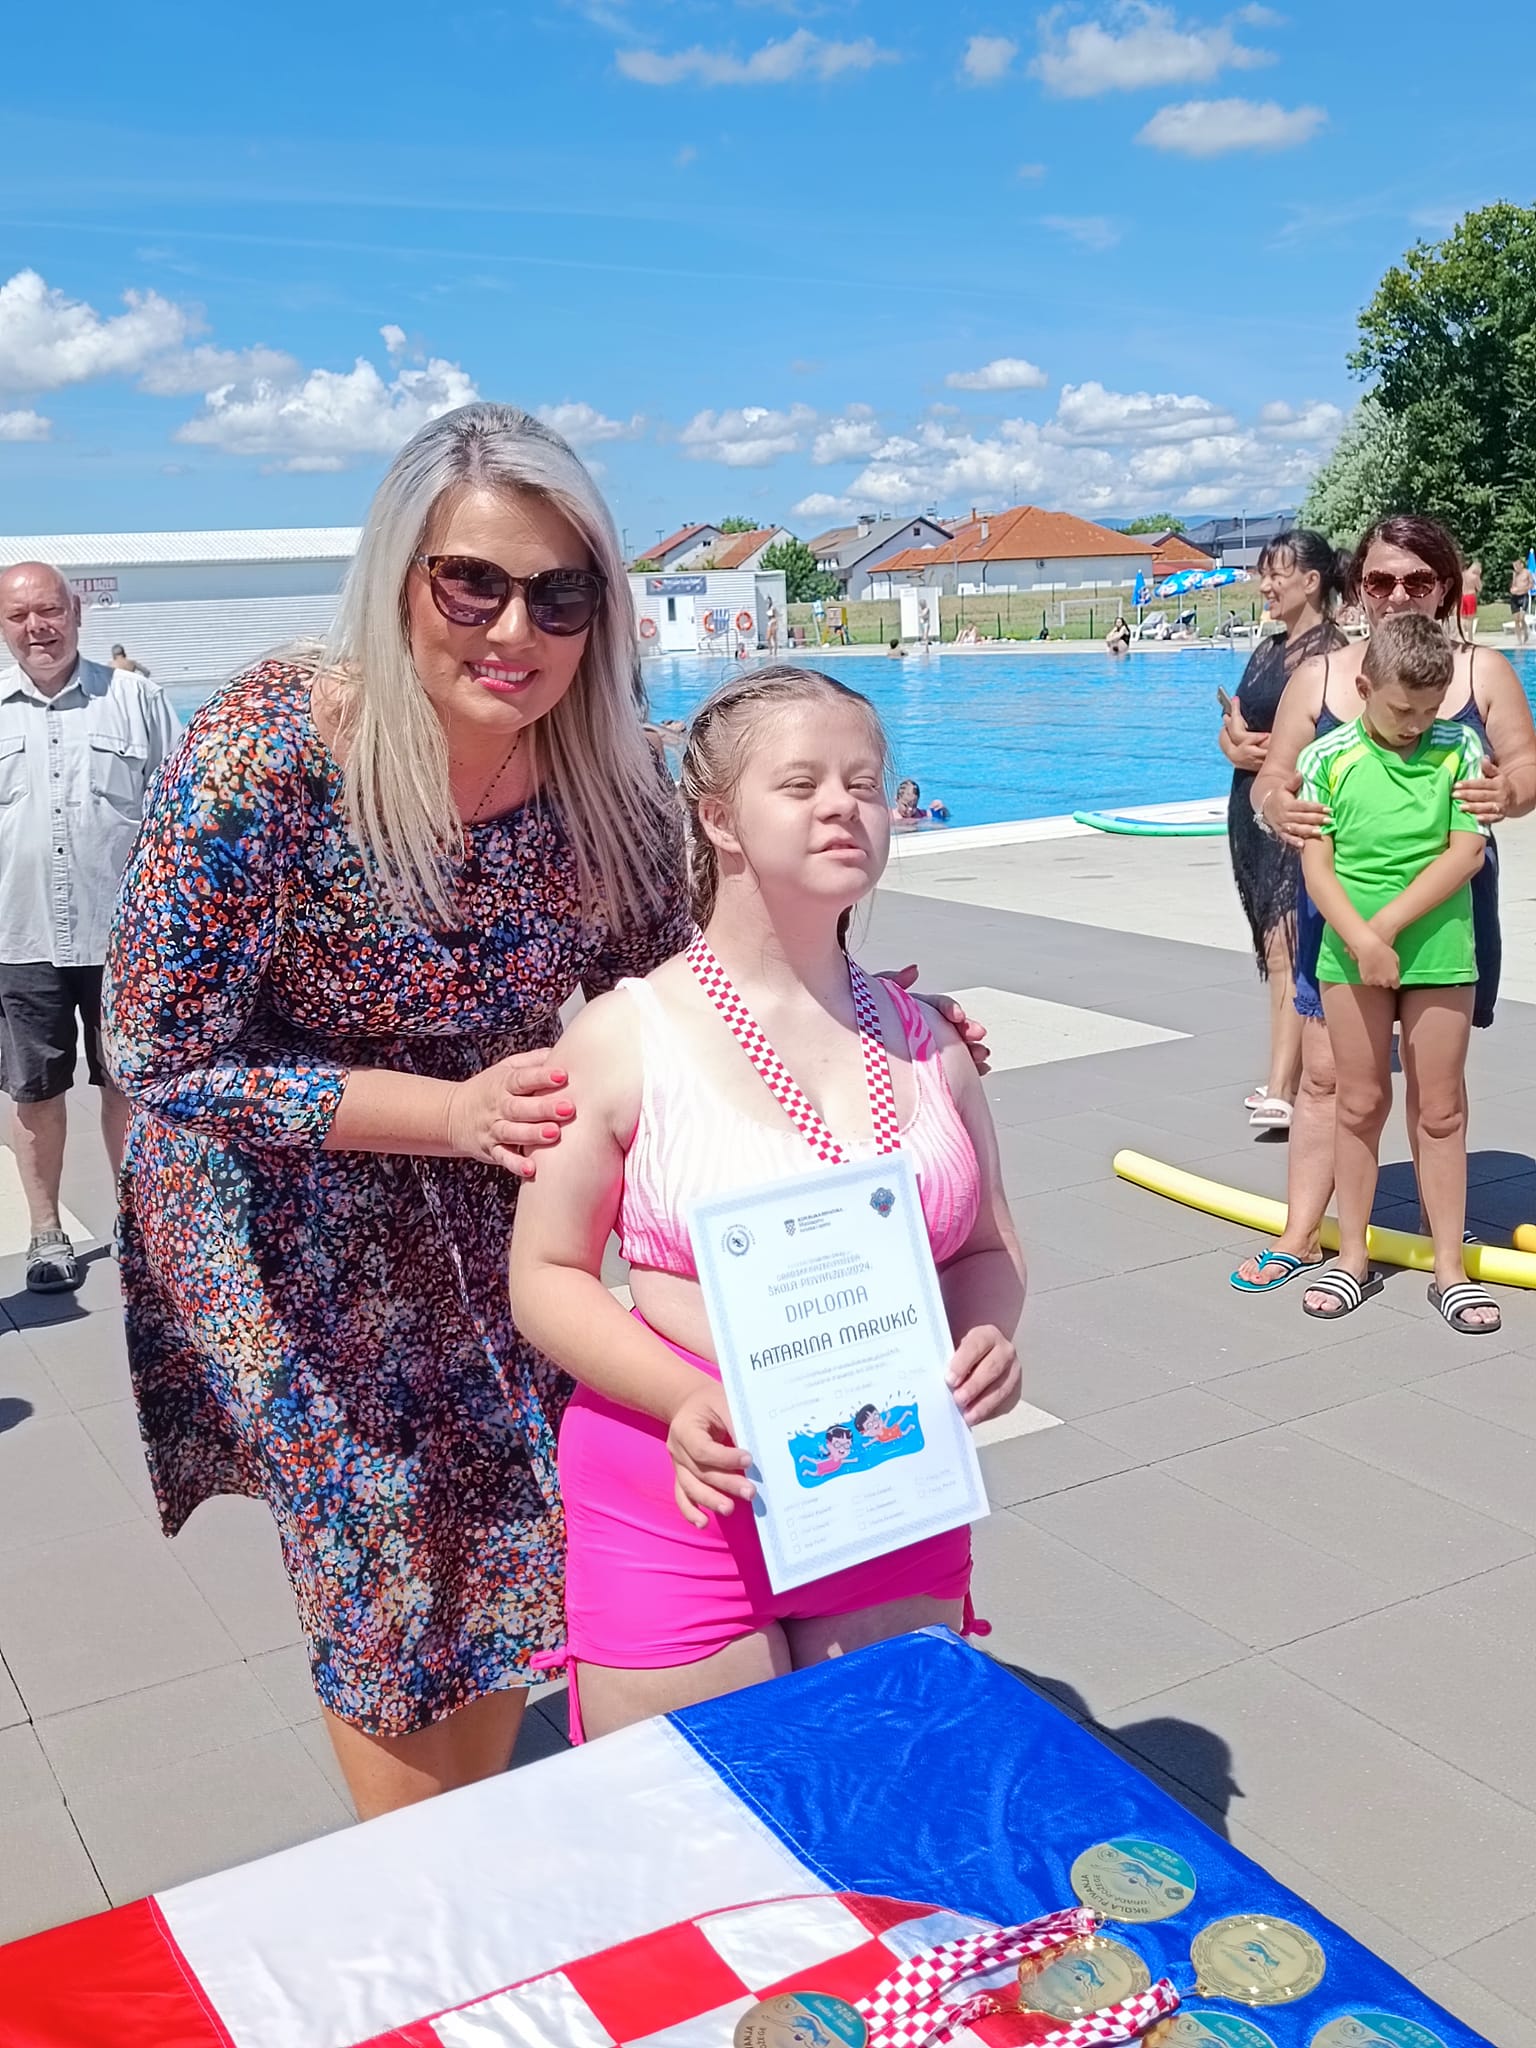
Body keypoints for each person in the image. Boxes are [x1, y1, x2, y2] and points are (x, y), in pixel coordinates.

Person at [102, 404, 700, 1819]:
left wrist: (863, 1027)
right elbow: (156, 1048)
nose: (515, 630)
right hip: (279, 1195)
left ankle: (467, 1817)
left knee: (510, 1519)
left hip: (493, 1177)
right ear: (399, 581)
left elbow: (673, 987)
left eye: (560, 594)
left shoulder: (610, 773)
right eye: (471, 583)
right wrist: (445, 1116)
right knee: (382, 1548)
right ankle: (419, 1856)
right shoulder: (271, 750)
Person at [508, 668, 1024, 1739]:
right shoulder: (623, 1038)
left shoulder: (926, 1040)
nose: (844, 805)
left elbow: (986, 1247)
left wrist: (984, 1335)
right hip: (686, 1478)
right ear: (717, 818)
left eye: (865, 783)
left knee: (879, 1798)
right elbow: (546, 1276)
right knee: (698, 1818)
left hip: (884, 1471)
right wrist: (678, 1398)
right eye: (801, 783)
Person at [1230, 514, 1536, 1307]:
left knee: (1439, 1090)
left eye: (1417, 580)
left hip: (1445, 911)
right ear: (1357, 586)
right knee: (1328, 1078)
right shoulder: (1323, 676)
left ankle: (1441, 1241)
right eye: (1379, 580)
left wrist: (1508, 791)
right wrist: (1274, 806)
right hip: (1339, 910)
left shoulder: (1483, 672)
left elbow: (1526, 769)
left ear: (1446, 585)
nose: (1398, 595)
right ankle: (1306, 1234)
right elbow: (1276, 776)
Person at [1296, 614, 1499, 1334]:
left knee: (1440, 1112)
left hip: (1439, 952)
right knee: (1358, 1104)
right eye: (1401, 709)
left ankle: (1450, 1269)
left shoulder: (1460, 747)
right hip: (1348, 955)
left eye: (1430, 710)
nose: (1416, 725)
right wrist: (1360, 939)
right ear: (1363, 688)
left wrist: (1382, 930)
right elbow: (1316, 866)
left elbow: (1465, 853)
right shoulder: (1327, 757)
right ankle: (1351, 1257)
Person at [0, 563, 180, 1291]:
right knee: (34, 1092)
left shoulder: (136, 700)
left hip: (126, 942)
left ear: (76, 611)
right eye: (19, 616)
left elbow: (181, 816)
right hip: (19, 942)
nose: (37, 627)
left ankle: (142, 1229)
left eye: (49, 610)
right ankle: (47, 1234)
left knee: (130, 1085)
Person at [1219, 531, 1347, 1133]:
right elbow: (1235, 723)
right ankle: (1285, 1076)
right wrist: (1234, 745)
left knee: (1288, 948)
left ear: (1311, 581)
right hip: (1250, 811)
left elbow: (1335, 740)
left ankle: (1280, 1087)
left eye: (1276, 574)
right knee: (1274, 944)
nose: (1265, 586)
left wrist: (1270, 759)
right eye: (1263, 574)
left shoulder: (1332, 655)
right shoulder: (1269, 649)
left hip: (1297, 812)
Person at [1509, 557, 1532, 647]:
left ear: (1521, 565)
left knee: (1522, 618)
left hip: (1524, 596)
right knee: (1516, 620)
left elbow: (1531, 585)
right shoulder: (1514, 574)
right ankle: (1519, 641)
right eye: (1514, 566)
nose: (1515, 567)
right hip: (1515, 597)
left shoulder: (1527, 573)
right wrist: (1512, 589)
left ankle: (1525, 632)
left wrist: (1521, 589)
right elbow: (1513, 585)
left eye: (1517, 565)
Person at [1460, 558, 1482, 638]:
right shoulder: (1474, 577)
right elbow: (1479, 588)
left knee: (1462, 617)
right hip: (1470, 596)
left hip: (1462, 596)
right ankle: (1470, 637)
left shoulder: (1462, 575)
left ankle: (1462, 635)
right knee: (1470, 619)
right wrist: (1479, 576)